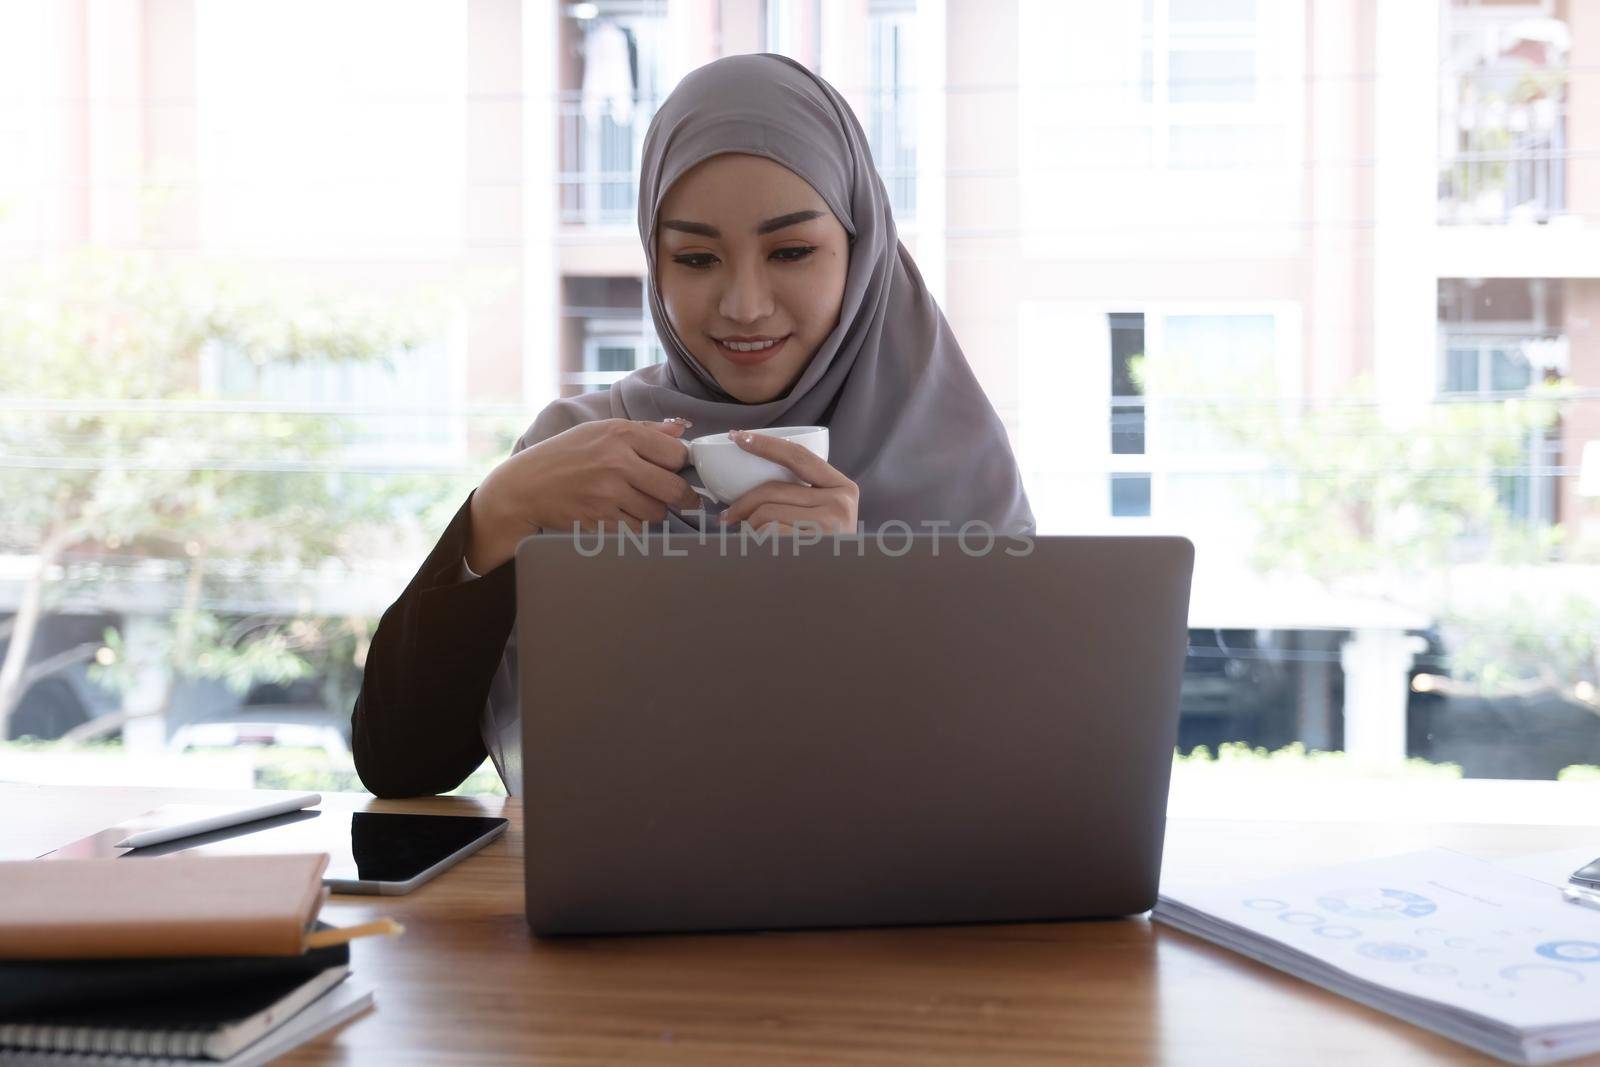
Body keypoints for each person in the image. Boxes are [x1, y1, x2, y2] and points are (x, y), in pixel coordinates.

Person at [352, 53, 1033, 799]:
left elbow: (1010, 770)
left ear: (861, 250)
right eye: (696, 257)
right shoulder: (577, 454)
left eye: (793, 251)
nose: (743, 304)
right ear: (656, 261)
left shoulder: (955, 458)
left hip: (896, 914)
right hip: (611, 906)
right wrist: (499, 509)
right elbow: (400, 765)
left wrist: (855, 598)